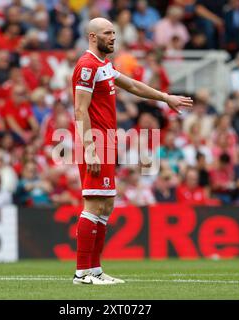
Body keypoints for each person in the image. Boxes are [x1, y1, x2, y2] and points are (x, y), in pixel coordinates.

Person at [71, 17, 192, 285]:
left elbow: (134, 86)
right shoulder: (87, 66)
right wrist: (90, 149)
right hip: (95, 142)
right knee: (93, 204)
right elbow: (80, 109)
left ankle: (95, 269)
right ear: (92, 37)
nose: (113, 37)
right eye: (107, 33)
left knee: (106, 204)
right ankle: (82, 272)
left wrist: (165, 97)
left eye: (114, 32)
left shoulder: (103, 64)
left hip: (107, 142)